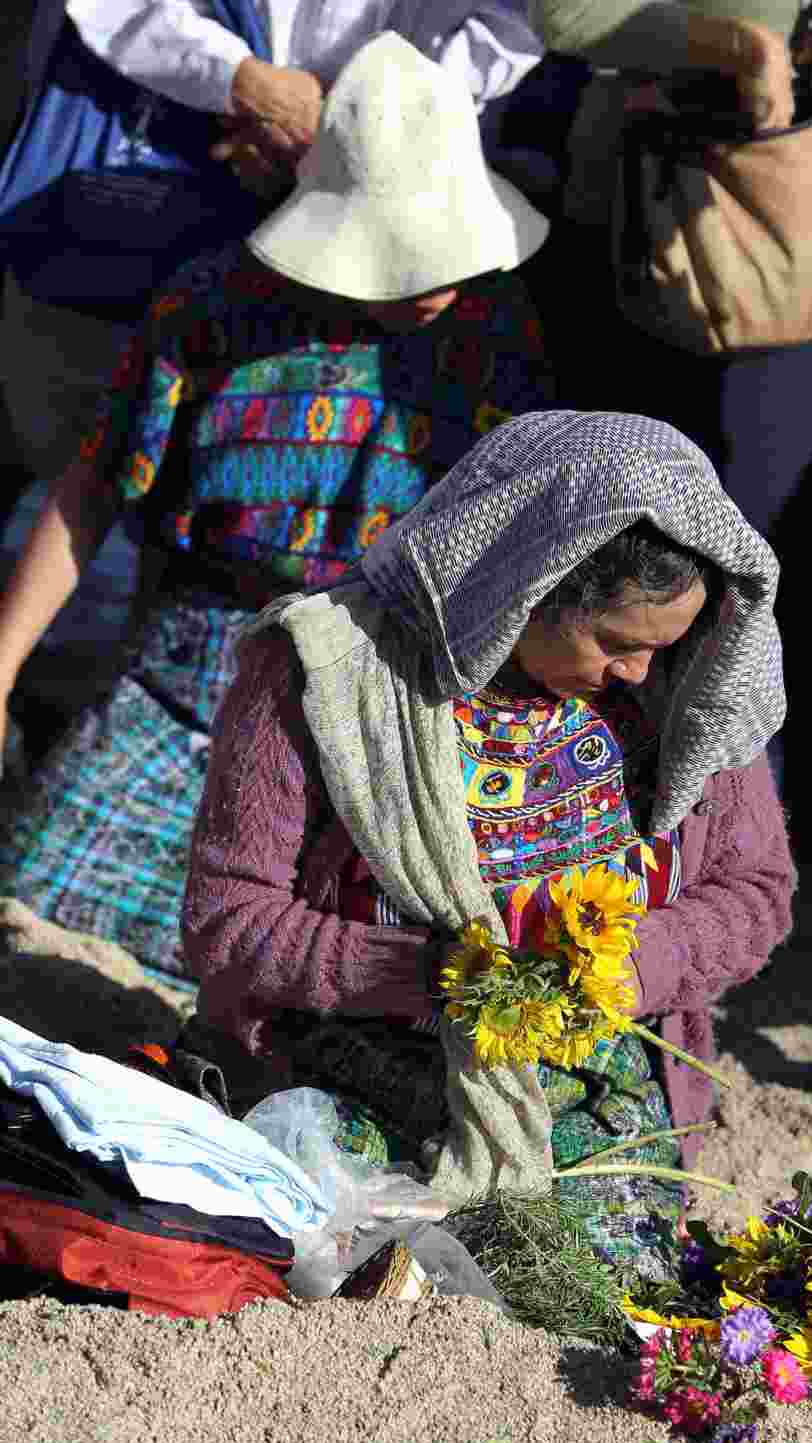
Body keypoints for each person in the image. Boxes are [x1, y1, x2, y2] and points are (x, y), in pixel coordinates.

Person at [179, 408, 797, 1273]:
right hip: (362, 1054)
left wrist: (631, 965)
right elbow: (227, 920)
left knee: (584, 1284)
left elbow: (756, 894)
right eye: (615, 643)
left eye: (665, 645)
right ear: (523, 587)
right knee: (343, 1245)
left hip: (596, 1086)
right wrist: (428, 977)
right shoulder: (325, 672)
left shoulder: (687, 693)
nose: (640, 673)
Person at [0, 33, 553, 978]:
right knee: (38, 909)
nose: (439, 282)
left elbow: (523, 557)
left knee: (354, 960)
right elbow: (93, 489)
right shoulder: (211, 309)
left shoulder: (495, 328)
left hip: (389, 697)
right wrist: (2, 664)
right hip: (197, 673)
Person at [523, 0, 812, 868]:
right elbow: (564, 13)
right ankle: (630, 834)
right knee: (659, 569)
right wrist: (737, 48)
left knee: (788, 562)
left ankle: (765, 837)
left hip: (808, 235)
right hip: (657, 244)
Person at [1, 0, 543, 485]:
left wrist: (367, 124)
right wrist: (240, 85)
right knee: (99, 453)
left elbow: (520, 21)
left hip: (403, 209)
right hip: (163, 195)